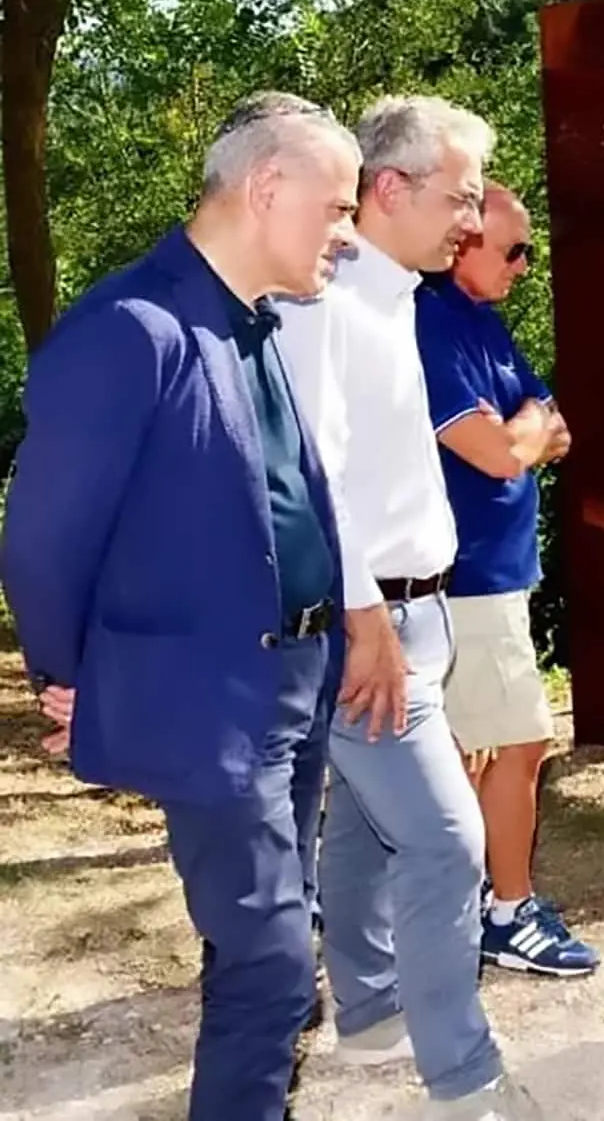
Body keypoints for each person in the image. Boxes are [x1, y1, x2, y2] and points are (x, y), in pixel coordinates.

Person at [0, 91, 357, 1121]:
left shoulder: (252, 325)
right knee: (274, 963)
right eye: (334, 208)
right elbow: (40, 542)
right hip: (210, 698)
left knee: (265, 943)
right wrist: (76, 679)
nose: (344, 232)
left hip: (293, 684)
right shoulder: (127, 330)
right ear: (266, 188)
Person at [273, 94, 538, 1120]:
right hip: (366, 624)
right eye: (460, 196)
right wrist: (364, 620)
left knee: (366, 833)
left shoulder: (395, 299)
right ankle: (465, 1082)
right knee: (442, 840)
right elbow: (313, 480)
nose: (472, 222)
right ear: (389, 188)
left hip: (416, 612)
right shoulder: (323, 304)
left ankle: (374, 1011)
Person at [413, 180, 598, 978]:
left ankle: (459, 908)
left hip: (492, 578)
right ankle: (507, 913)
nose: (527, 264)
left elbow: (554, 420)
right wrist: (519, 438)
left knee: (475, 749)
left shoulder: (479, 324)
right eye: (515, 249)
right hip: (469, 581)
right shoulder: (431, 323)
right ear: (463, 243)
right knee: (519, 744)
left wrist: (520, 434)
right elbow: (497, 451)